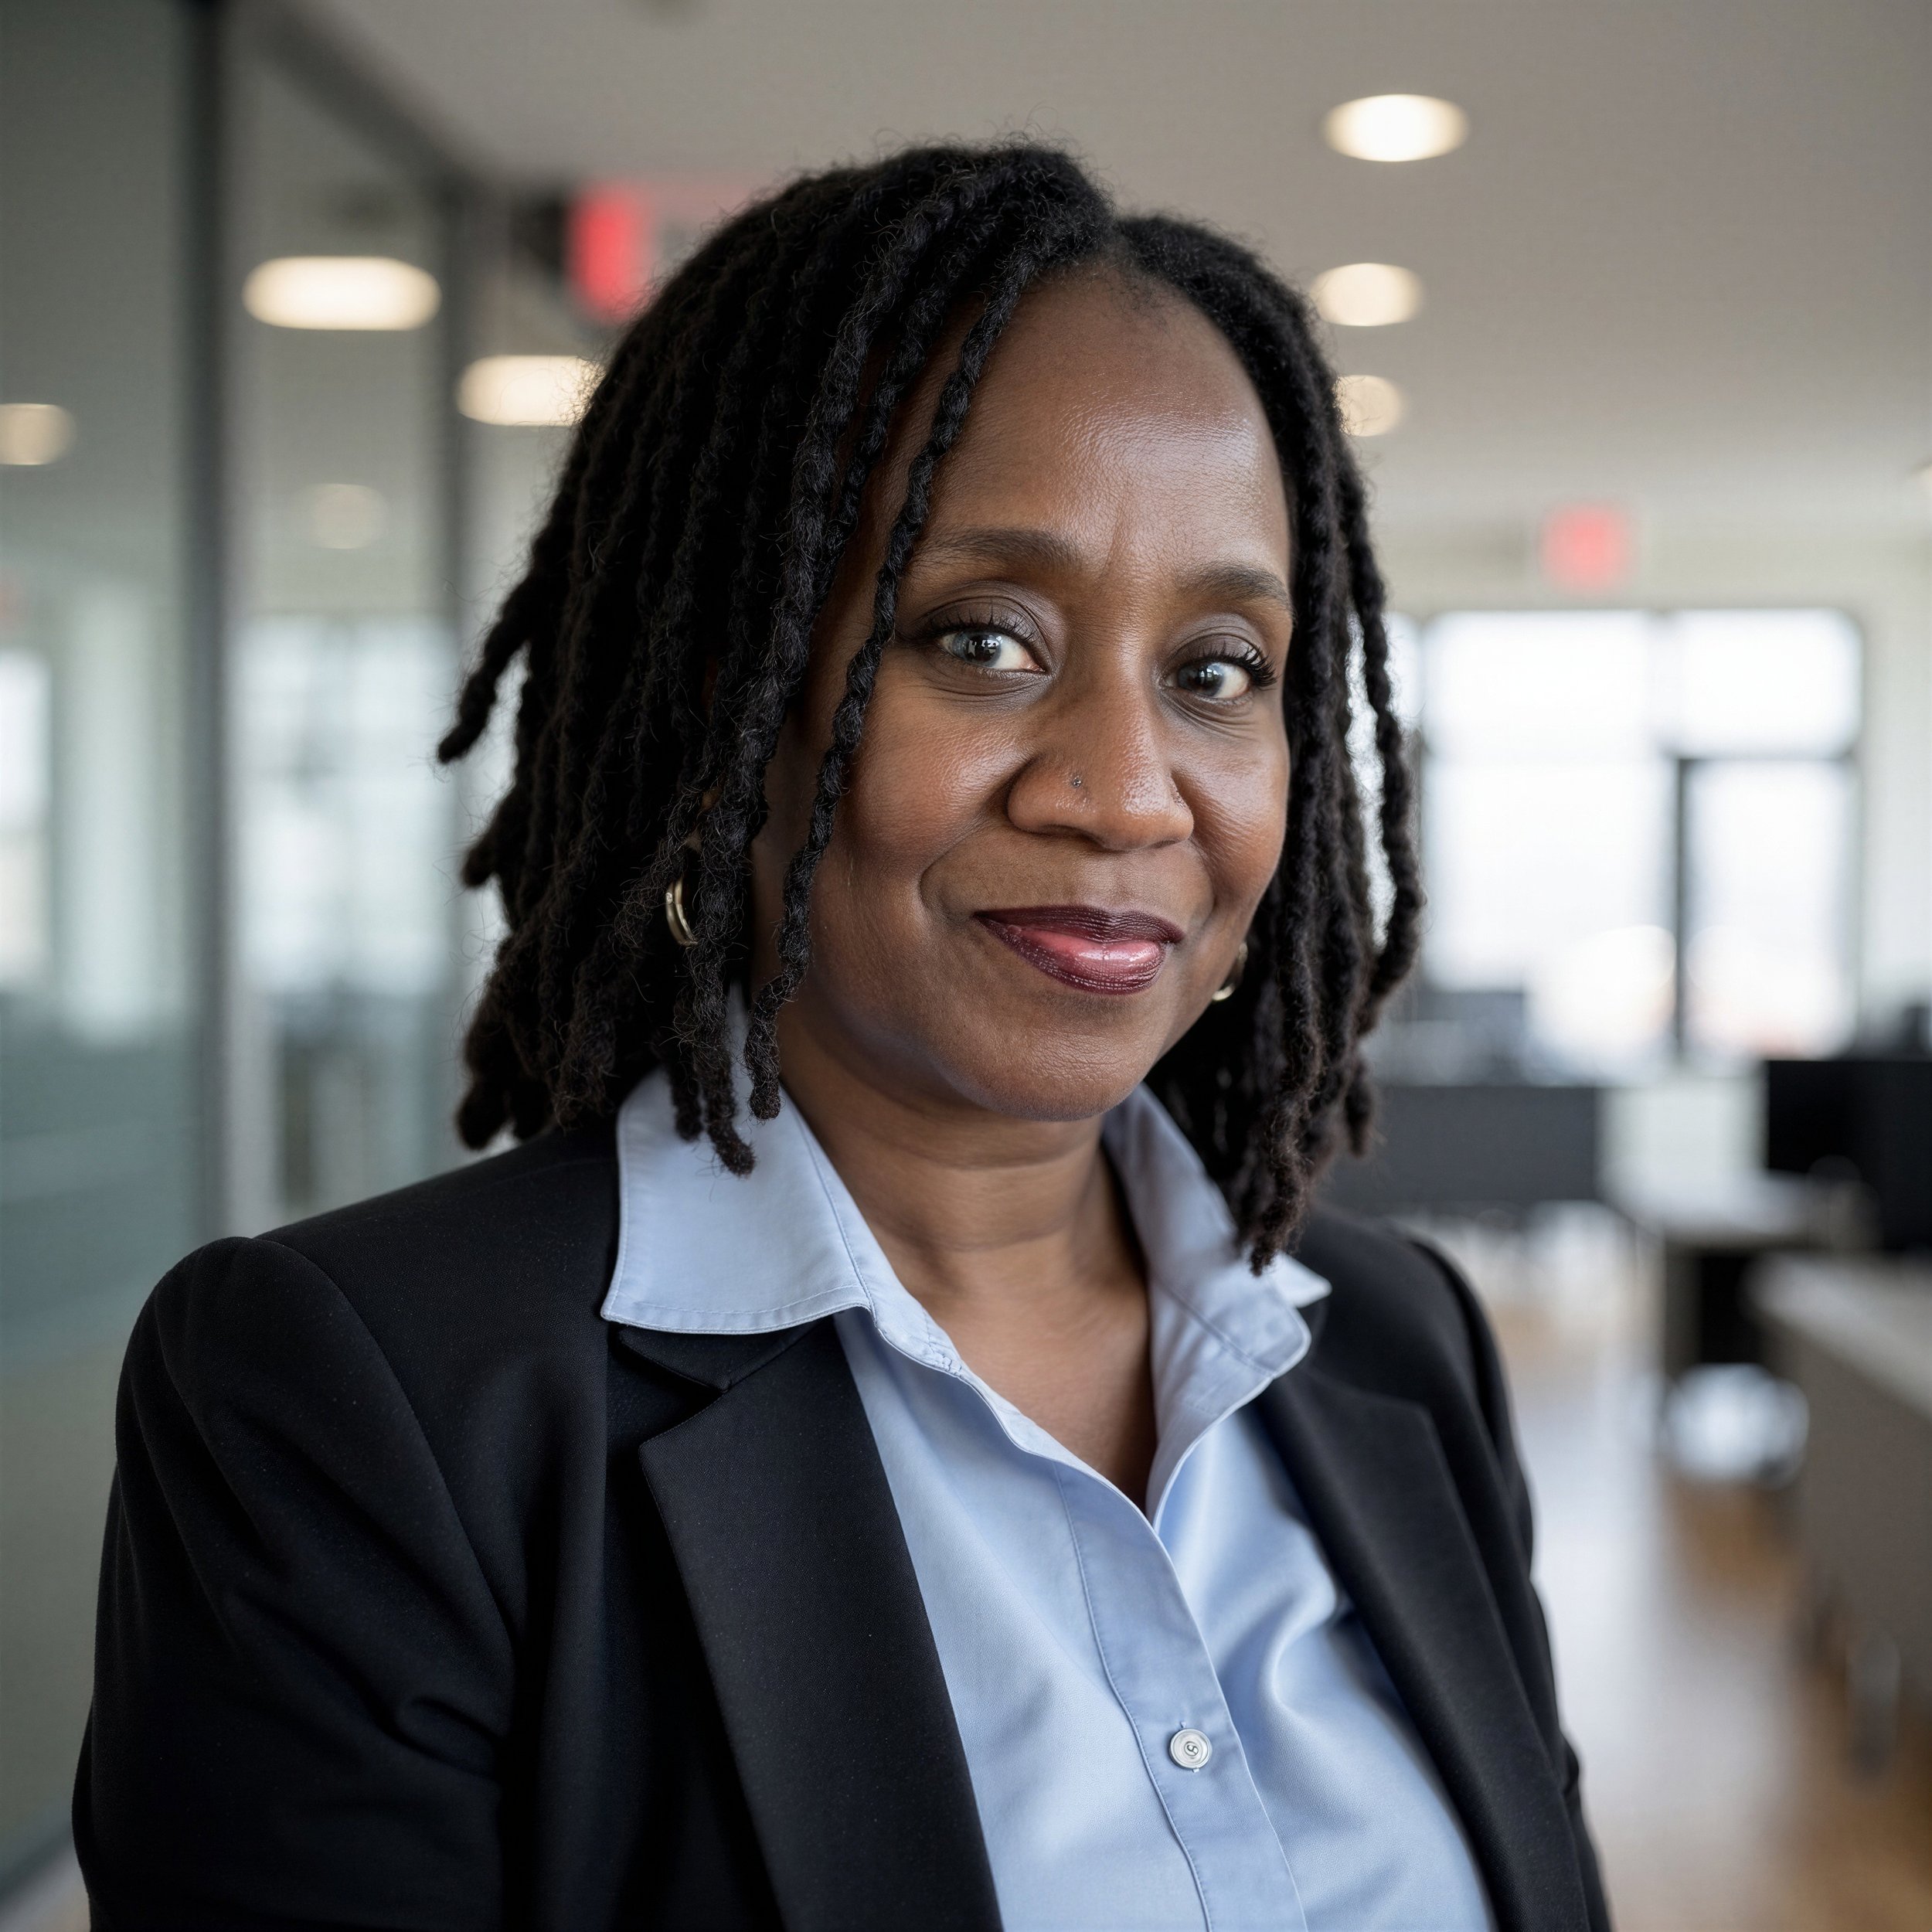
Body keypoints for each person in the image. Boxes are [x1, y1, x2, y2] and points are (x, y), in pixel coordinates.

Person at [76, 145, 1609, 1932]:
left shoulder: (1393, 1345)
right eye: (981, 637)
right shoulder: (369, 1402)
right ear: (730, 699)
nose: (1125, 790)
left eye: (1213, 669)